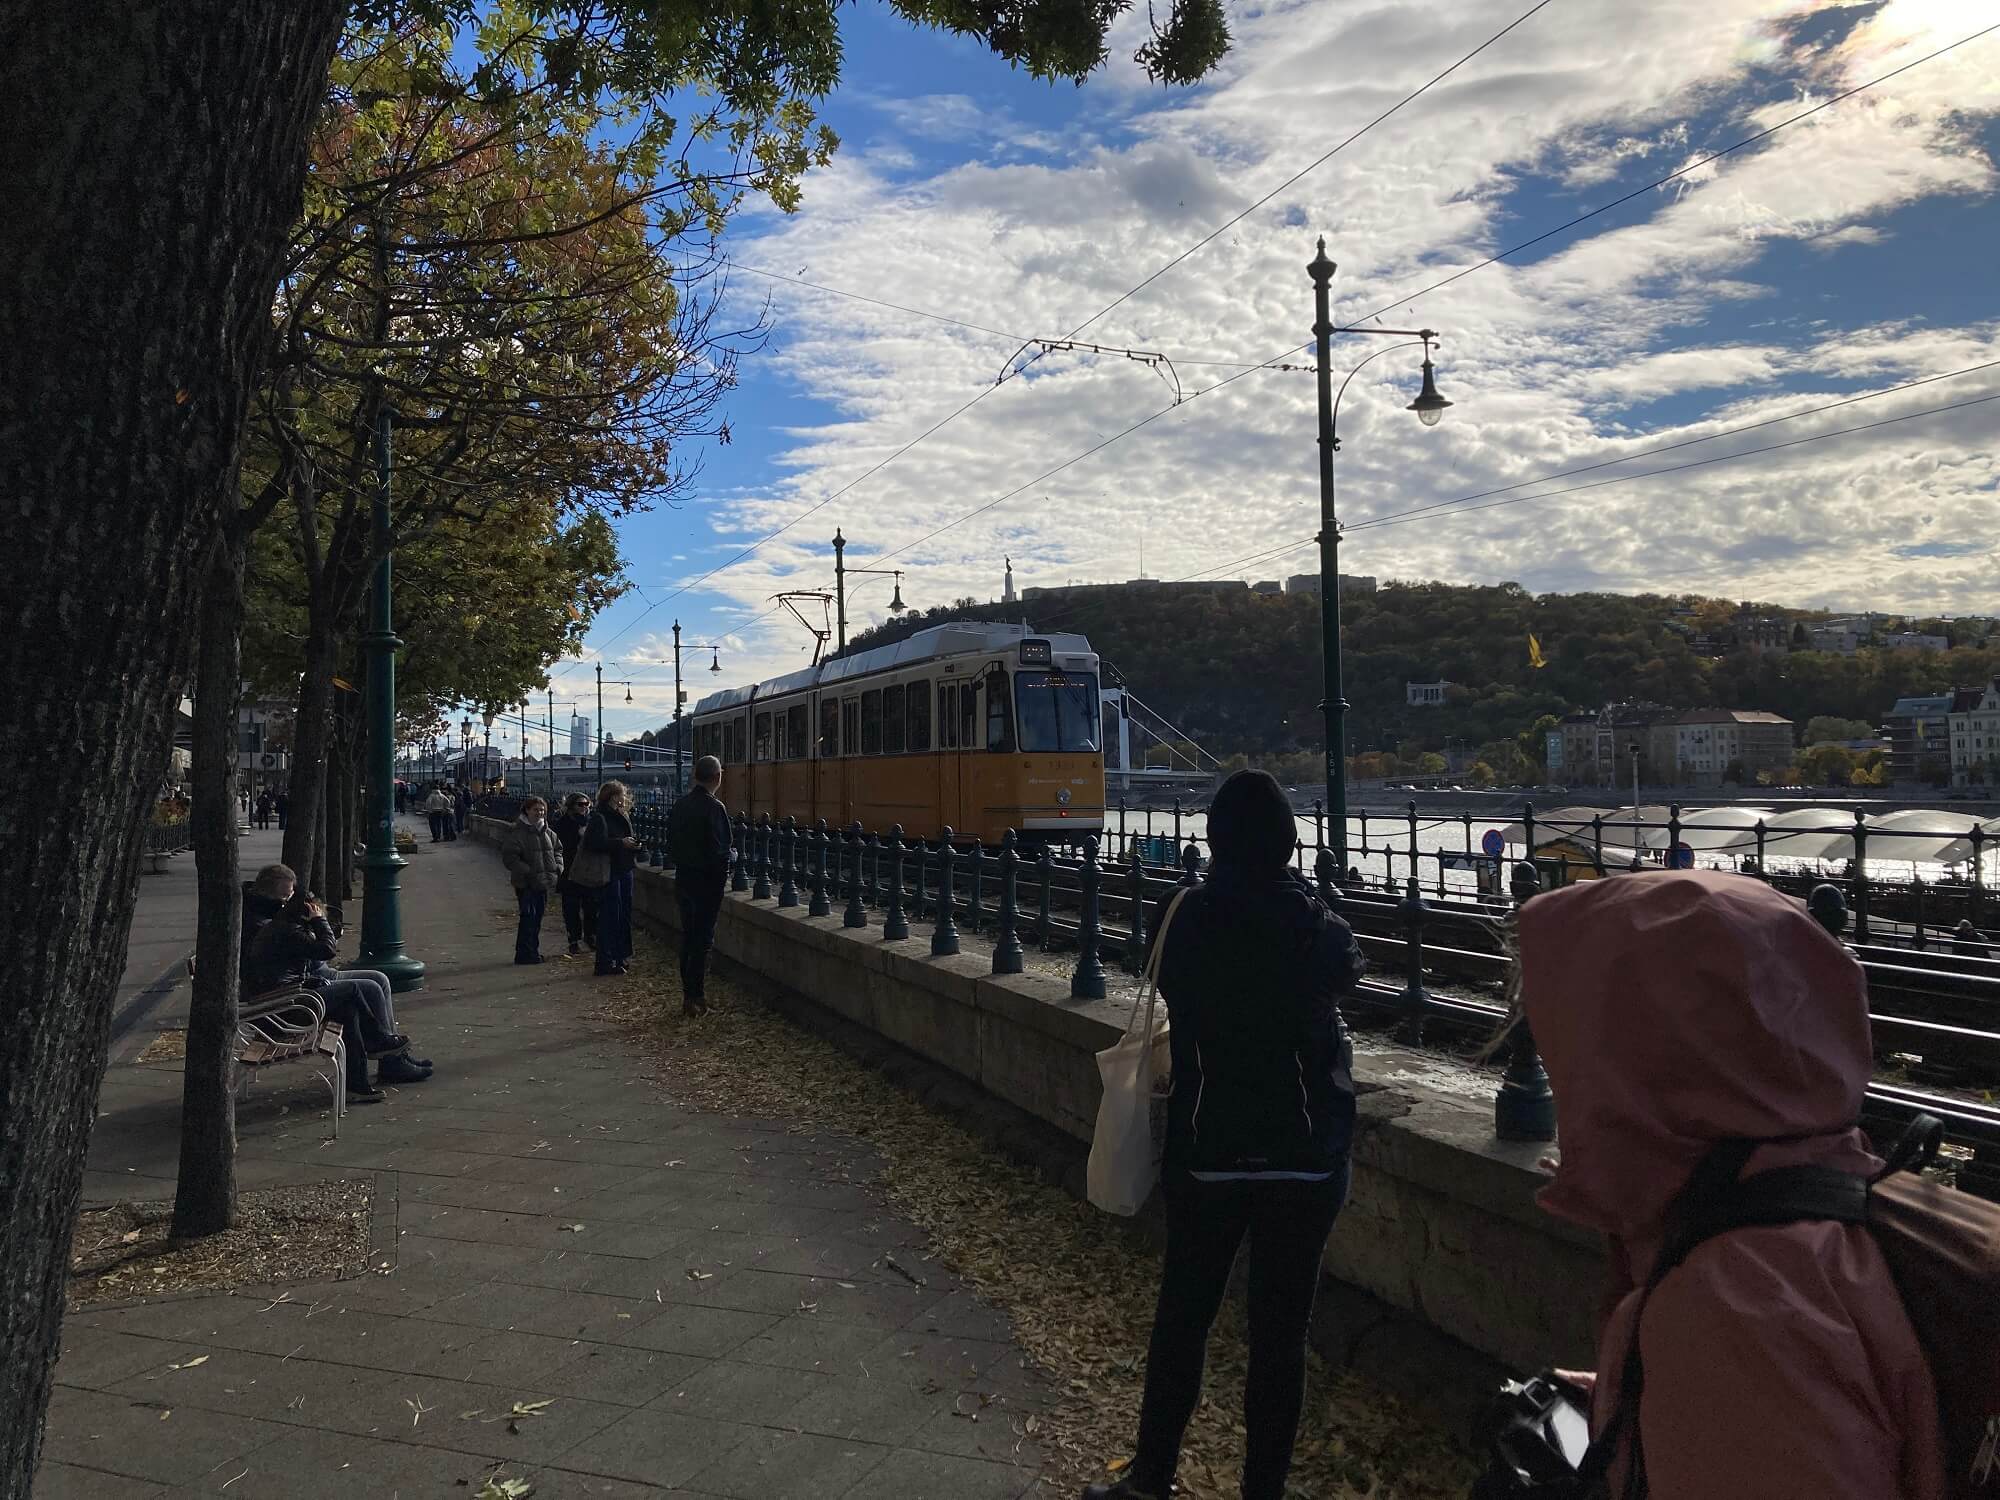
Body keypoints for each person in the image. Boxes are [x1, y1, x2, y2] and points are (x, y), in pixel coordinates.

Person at [1512, 871, 1944, 1499]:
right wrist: (1639, 1401)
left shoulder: (1733, 1305)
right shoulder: (1823, 1189)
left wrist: (1702, 1377)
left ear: (1632, 1070)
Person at [1085, 769, 1365, 1500]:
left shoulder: (1180, 918)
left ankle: (1151, 1477)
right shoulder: (1321, 930)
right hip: (1304, 1159)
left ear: (1213, 841)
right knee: (1280, 1336)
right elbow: (1347, 975)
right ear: (1289, 844)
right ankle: (1262, 1491)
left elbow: (1169, 977)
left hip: (1208, 1148)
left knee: (1184, 1317)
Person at [242, 865, 432, 1100]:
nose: (290, 902)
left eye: (291, 896)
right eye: (286, 897)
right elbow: (319, 951)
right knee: (362, 989)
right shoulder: (270, 923)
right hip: (291, 997)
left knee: (368, 989)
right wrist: (319, 924)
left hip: (300, 986)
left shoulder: (278, 919)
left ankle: (380, 1063)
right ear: (272, 896)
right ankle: (382, 1047)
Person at [666, 757, 732, 1015]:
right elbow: (720, 850)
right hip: (707, 884)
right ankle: (697, 997)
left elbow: (671, 841)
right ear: (717, 777)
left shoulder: (681, 805)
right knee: (702, 941)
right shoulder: (715, 807)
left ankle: (688, 995)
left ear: (696, 776)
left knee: (688, 937)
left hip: (685, 879)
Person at [586, 780, 641, 977]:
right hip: (610, 871)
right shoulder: (600, 817)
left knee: (623, 914)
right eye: (621, 795)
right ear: (613, 797)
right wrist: (621, 843)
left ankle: (621, 956)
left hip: (624, 868)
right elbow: (595, 843)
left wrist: (634, 845)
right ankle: (605, 960)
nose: (624, 798)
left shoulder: (622, 815)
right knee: (610, 915)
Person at [500, 796, 563, 964]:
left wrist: (558, 867)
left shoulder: (548, 832)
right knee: (528, 918)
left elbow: (558, 849)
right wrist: (528, 872)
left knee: (537, 920)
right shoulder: (517, 832)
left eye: (542, 810)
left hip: (544, 882)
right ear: (527, 810)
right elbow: (510, 858)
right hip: (526, 883)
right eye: (536, 810)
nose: (539, 813)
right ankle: (525, 953)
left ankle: (532, 951)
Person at [552, 793, 598, 955]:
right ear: (572, 806)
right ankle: (574, 939)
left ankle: (590, 936)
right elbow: (560, 846)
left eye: (587, 804)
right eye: (580, 804)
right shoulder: (563, 824)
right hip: (569, 870)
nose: (584, 808)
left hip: (588, 870)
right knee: (571, 908)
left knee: (591, 906)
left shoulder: (592, 822)